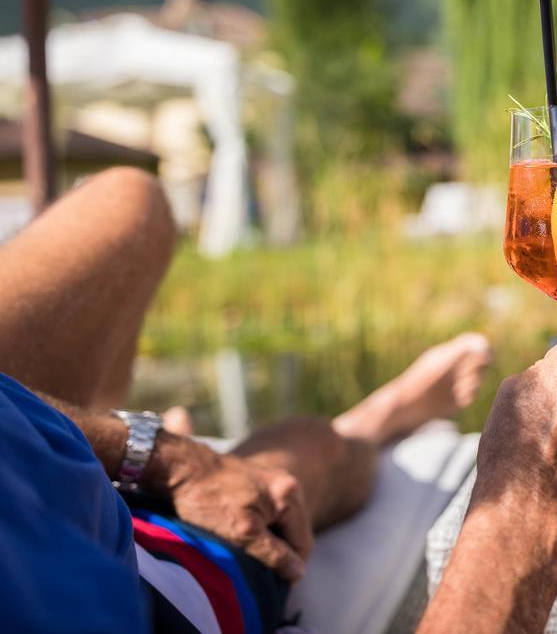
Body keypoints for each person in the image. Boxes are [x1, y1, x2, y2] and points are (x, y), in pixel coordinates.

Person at [0, 168, 495, 629]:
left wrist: (148, 451)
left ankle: (116, 437)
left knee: (128, 198)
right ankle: (372, 424)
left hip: (34, 467)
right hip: (124, 559)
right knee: (302, 464)